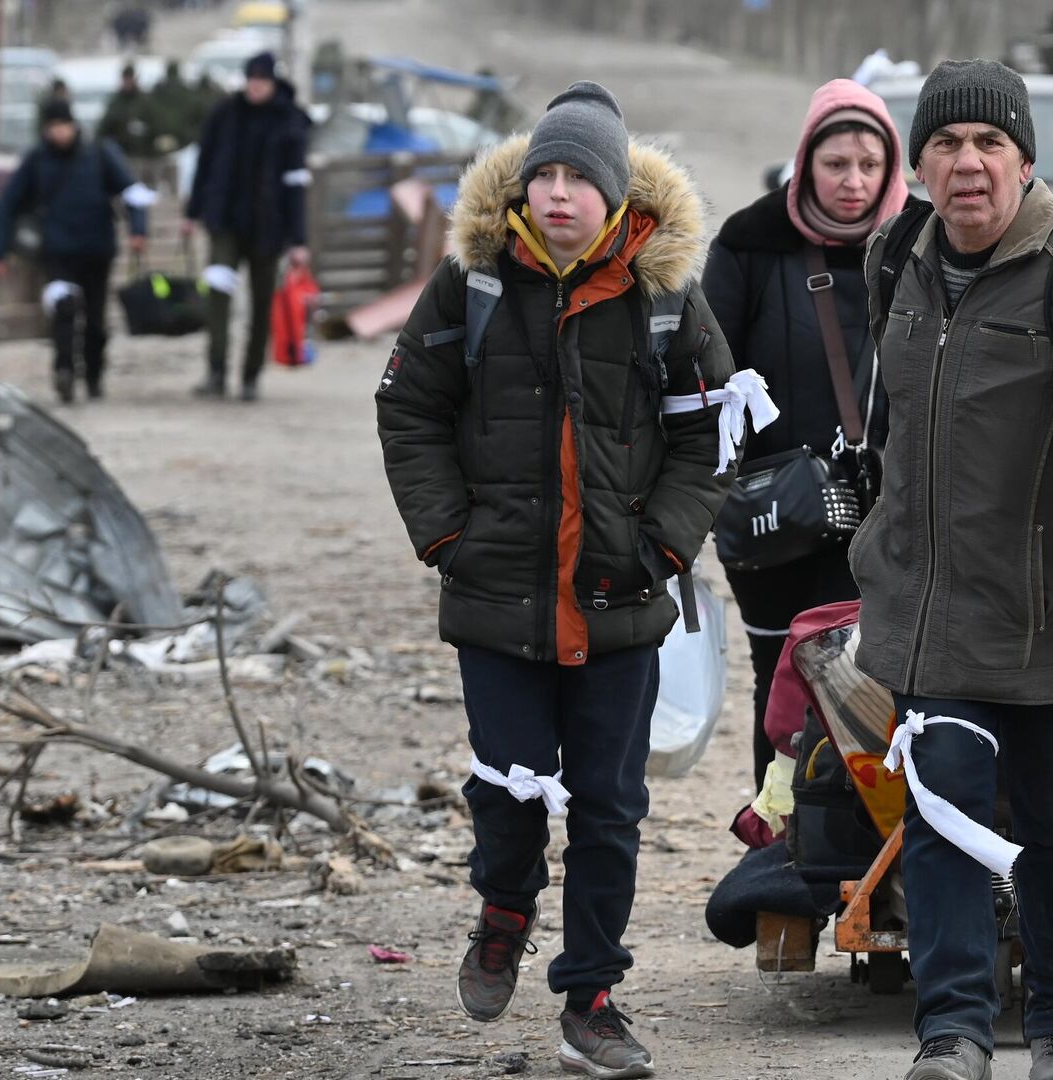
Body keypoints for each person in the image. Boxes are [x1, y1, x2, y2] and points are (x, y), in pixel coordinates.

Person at [375, 80, 736, 1079]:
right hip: (497, 601)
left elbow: (711, 435)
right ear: (523, 190)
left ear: (618, 196)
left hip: (620, 605)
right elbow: (406, 406)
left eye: (583, 178)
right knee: (508, 785)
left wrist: (662, 547)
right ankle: (502, 909)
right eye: (548, 176)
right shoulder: (475, 285)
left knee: (611, 809)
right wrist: (448, 534)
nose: (562, 194)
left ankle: (594, 999)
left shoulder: (666, 302)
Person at [853, 58, 1053, 1080]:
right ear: (922, 163)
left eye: (989, 144)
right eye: (945, 145)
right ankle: (950, 1034)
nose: (967, 165)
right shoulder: (894, 256)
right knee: (941, 816)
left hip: (1052, 615)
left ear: (1024, 160)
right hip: (931, 610)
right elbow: (894, 422)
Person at [702, 77, 909, 788]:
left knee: (885, 690)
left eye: (869, 166)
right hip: (778, 521)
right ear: (805, 163)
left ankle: (869, 864)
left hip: (895, 520)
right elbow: (706, 380)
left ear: (891, 169)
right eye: (835, 165)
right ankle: (784, 856)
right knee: (785, 690)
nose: (853, 183)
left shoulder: (926, 246)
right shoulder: (749, 245)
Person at [0, 100, 151, 404]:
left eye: (63, 125)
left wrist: (138, 229)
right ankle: (63, 370)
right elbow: (8, 205)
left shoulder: (100, 153)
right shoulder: (36, 160)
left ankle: (93, 374)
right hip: (57, 250)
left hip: (97, 248)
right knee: (63, 313)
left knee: (96, 319)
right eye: (53, 127)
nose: (59, 132)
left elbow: (131, 191)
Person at [184, 52, 311, 401]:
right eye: (251, 79)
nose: (255, 86)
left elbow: (296, 185)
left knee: (260, 304)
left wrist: (298, 239)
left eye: (262, 80)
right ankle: (216, 370)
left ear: (272, 82)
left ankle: (251, 375)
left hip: (267, 228)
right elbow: (204, 164)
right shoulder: (224, 114)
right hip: (224, 221)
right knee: (219, 297)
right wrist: (192, 212)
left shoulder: (289, 122)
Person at [100, 64, 157, 164]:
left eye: (130, 79)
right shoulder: (116, 102)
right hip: (121, 153)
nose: (128, 83)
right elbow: (104, 127)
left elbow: (155, 123)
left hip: (142, 155)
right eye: (125, 79)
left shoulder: (145, 101)